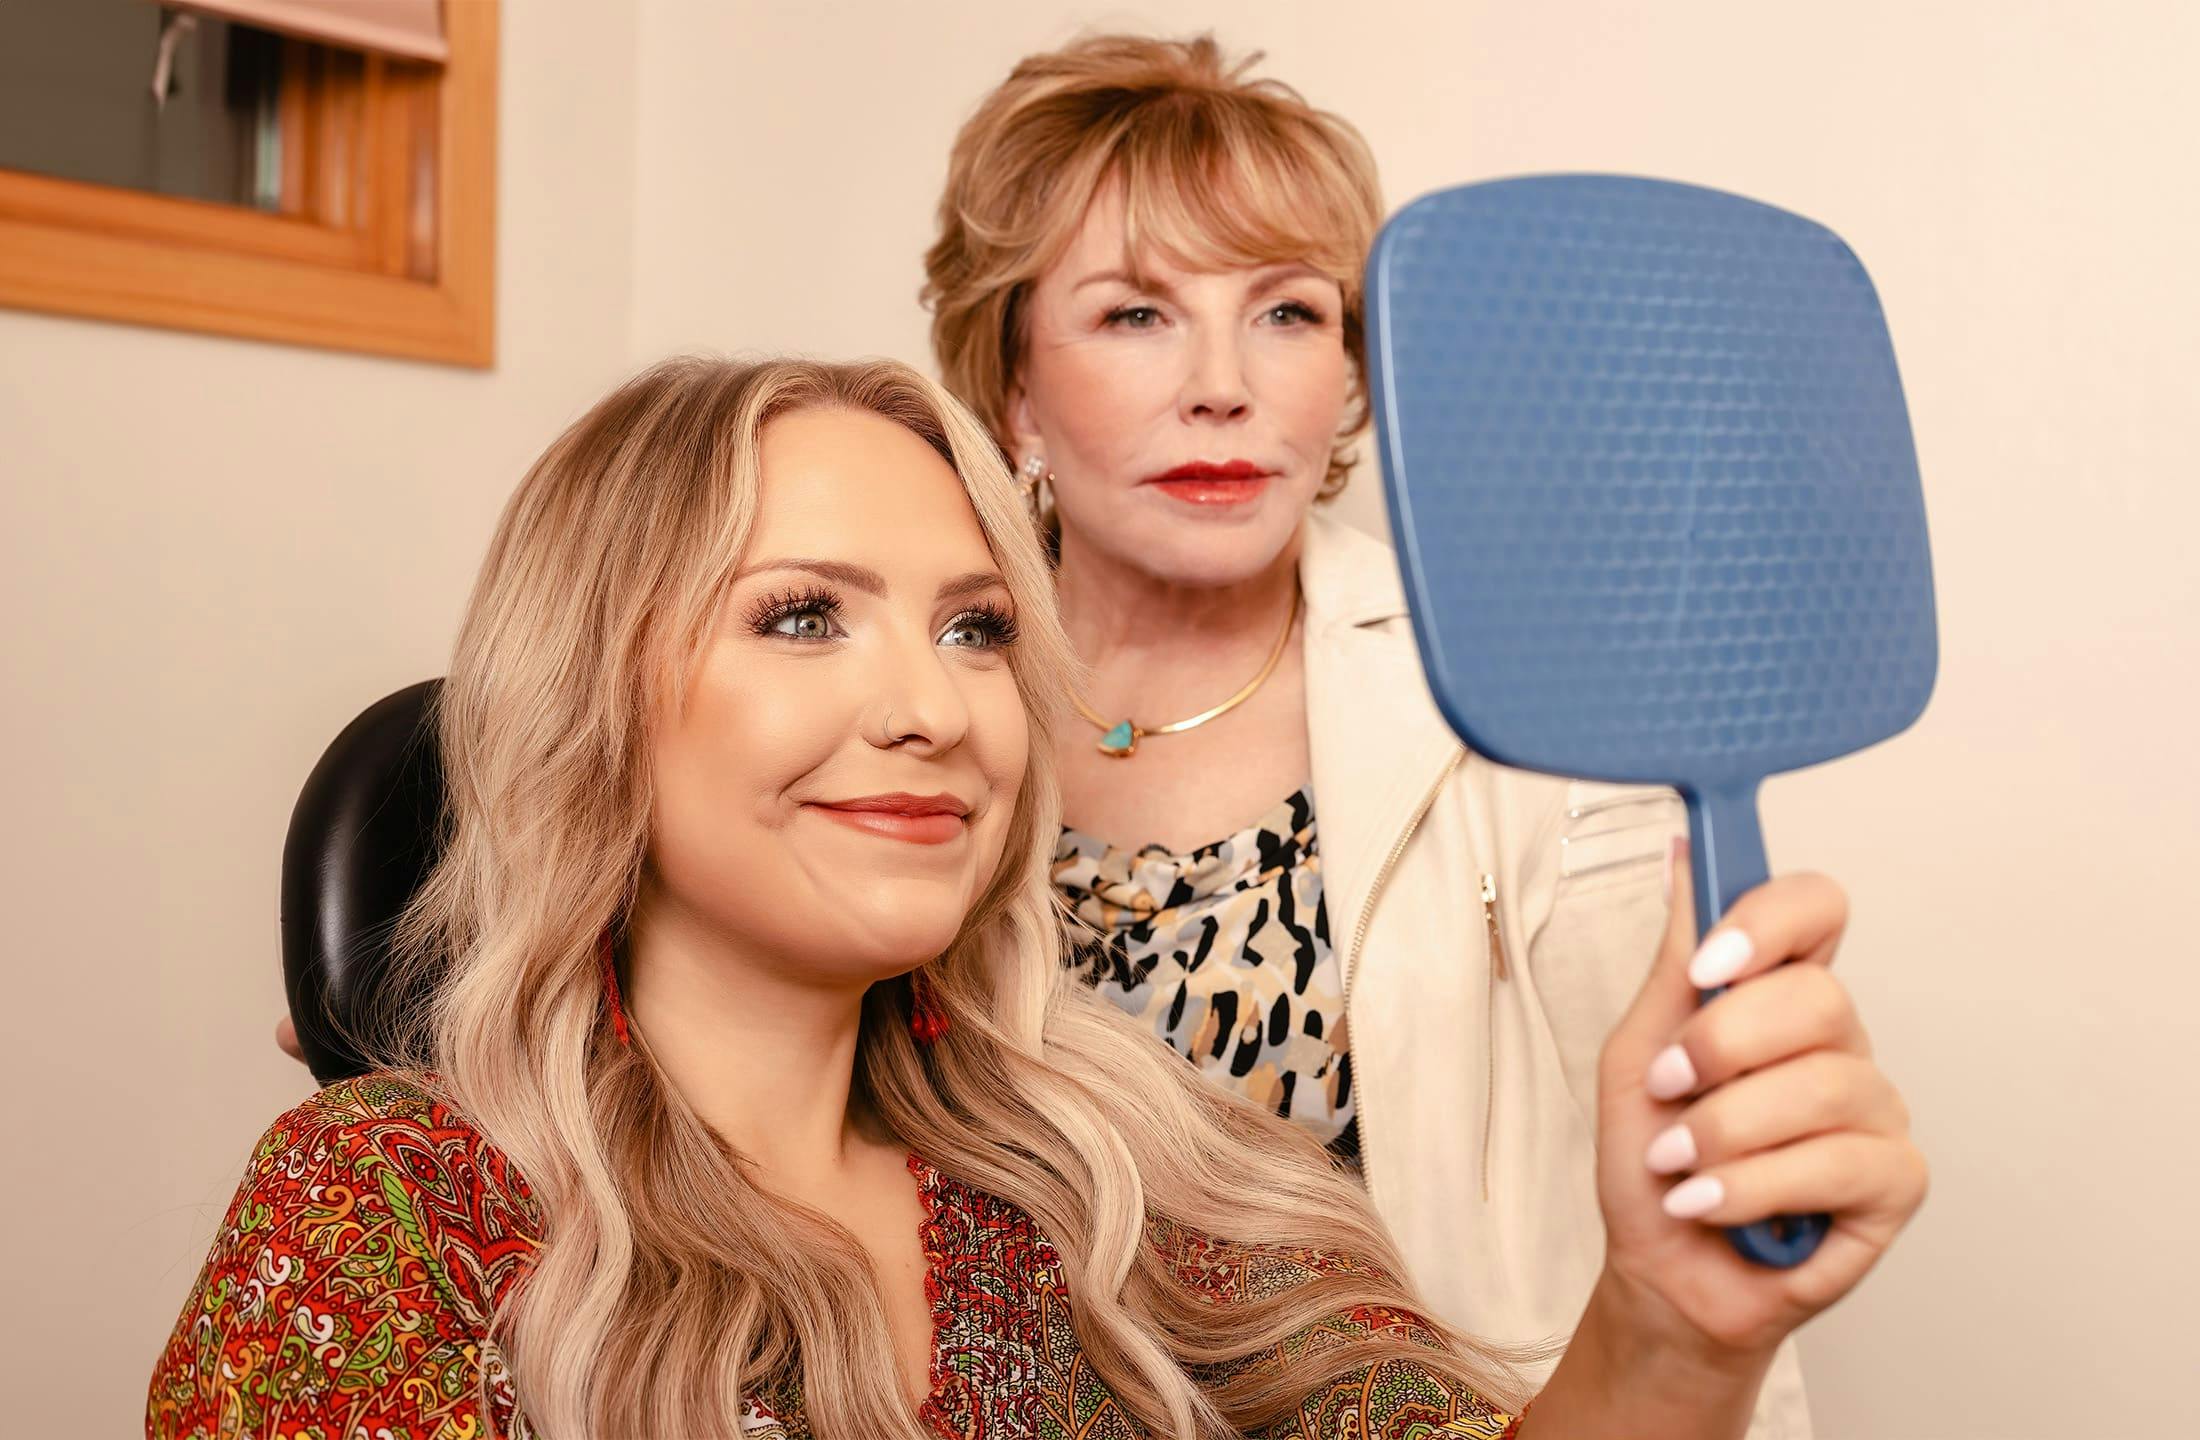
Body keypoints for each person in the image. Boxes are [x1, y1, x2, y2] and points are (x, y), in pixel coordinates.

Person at [173, 357, 1924, 1438]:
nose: (935, 708)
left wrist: (1672, 1338)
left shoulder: (1135, 1181)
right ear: (593, 700)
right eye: (803, 616)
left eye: (977, 629)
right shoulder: (391, 1209)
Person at [920, 34, 1828, 1433]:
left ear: (1351, 369)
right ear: (1015, 390)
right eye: (1137, 314)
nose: (1223, 383)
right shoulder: (914, 705)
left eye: (1288, 312)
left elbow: (1702, 1222)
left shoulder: (1532, 704)